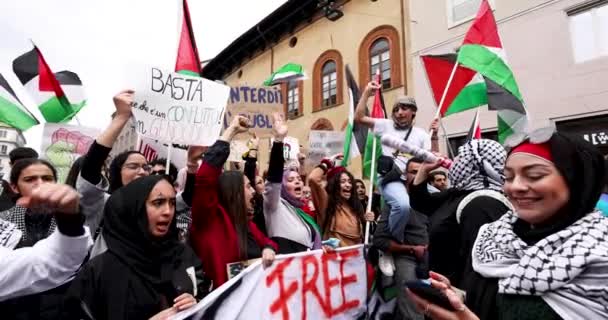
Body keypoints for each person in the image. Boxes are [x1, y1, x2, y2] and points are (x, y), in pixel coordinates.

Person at [407, 130, 608, 320]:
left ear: (575, 180)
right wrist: (462, 295)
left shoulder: (599, 257)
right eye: (509, 176)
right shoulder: (497, 235)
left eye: (535, 175)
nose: (515, 187)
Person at [63, 175, 205, 319]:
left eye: (172, 203)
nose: (168, 211)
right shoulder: (100, 270)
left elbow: (205, 294)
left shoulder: (183, 255)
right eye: (158, 202)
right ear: (135, 208)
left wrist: (196, 304)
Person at [409, 139, 511, 320]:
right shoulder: (460, 193)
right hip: (448, 295)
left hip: (464, 306)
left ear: (476, 164)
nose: (455, 162)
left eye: (461, 157)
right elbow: (421, 202)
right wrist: (425, 169)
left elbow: (484, 272)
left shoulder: (483, 204)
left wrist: (464, 309)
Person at [190, 116, 277, 289]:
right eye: (247, 186)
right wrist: (231, 131)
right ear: (234, 192)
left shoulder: (246, 224)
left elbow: (268, 242)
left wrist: (268, 249)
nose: (253, 191)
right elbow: (205, 178)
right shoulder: (210, 219)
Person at [355, 81, 431, 244]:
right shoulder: (385, 125)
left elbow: (429, 159)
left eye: (404, 108)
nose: (399, 112)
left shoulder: (422, 134)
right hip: (391, 178)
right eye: (396, 109)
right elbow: (359, 118)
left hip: (414, 181)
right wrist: (366, 94)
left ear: (413, 112)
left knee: (438, 199)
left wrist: (436, 135)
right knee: (402, 206)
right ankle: (393, 243)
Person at [0, 184, 92, 302]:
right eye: (29, 180)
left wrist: (69, 222)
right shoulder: (7, 218)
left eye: (46, 179)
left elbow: (43, 264)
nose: (38, 184)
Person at [373, 157, 430, 320]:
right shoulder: (396, 204)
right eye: (414, 172)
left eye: (422, 172)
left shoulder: (432, 199)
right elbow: (380, 240)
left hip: (429, 262)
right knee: (414, 313)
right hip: (407, 260)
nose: (418, 176)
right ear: (405, 175)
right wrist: (411, 249)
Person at [264, 114, 322, 254]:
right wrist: (279, 141)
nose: (297, 181)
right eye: (290, 180)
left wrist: (323, 246)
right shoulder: (274, 205)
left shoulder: (298, 210)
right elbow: (273, 181)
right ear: (282, 187)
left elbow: (308, 241)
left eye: (299, 179)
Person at [308, 158, 374, 247]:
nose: (348, 185)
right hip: (334, 259)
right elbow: (313, 179)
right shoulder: (327, 204)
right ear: (334, 185)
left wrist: (367, 220)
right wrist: (326, 163)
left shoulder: (356, 208)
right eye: (343, 182)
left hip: (355, 259)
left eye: (350, 182)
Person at [243, 134, 268, 235]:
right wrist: (253, 149)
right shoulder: (256, 204)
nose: (264, 184)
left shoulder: (271, 200)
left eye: (263, 181)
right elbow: (249, 173)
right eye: (259, 182)